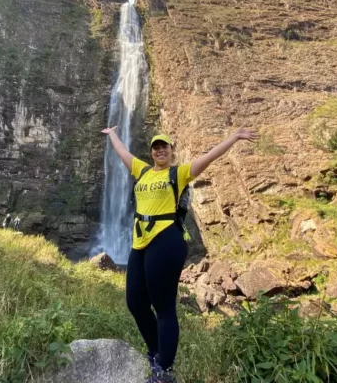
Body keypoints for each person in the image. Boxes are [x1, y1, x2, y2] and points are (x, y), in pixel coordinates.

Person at [102, 126, 258, 383]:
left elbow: (210, 156)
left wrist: (233, 137)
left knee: (163, 306)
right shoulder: (141, 170)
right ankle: (155, 352)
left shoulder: (179, 173)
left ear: (172, 151)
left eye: (165, 146)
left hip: (166, 239)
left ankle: (164, 370)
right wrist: (112, 134)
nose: (160, 150)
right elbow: (122, 153)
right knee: (135, 302)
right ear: (151, 152)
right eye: (156, 147)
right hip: (140, 240)